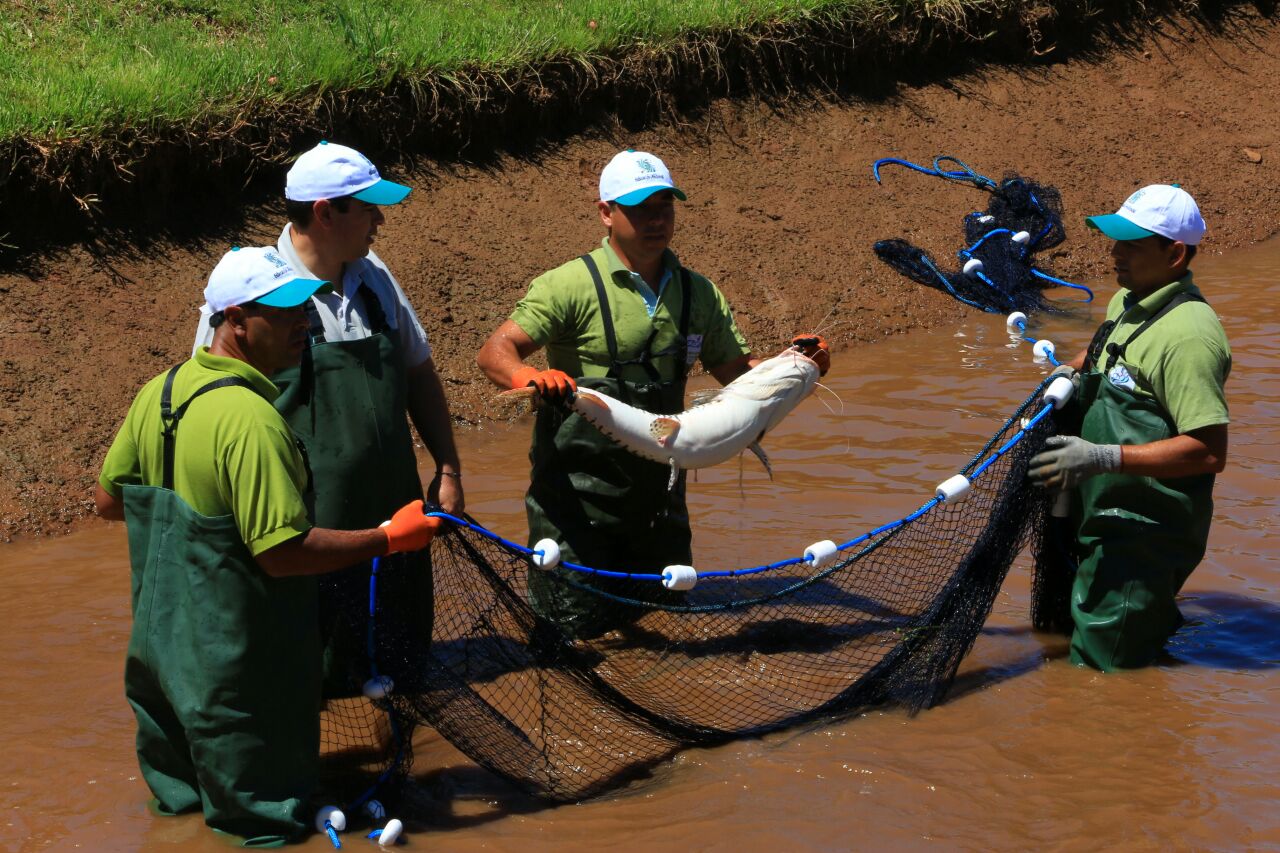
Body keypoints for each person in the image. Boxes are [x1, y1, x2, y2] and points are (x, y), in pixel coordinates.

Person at [95, 247, 442, 845]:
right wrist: (389, 538)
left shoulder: (161, 391)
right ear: (233, 321)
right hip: (239, 675)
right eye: (281, 314)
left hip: (161, 659)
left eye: (303, 308)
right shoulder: (250, 420)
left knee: (181, 815)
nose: (301, 323)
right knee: (263, 829)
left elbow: (108, 502)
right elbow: (283, 553)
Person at [477, 149, 830, 639]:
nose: (656, 219)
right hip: (577, 498)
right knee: (571, 632)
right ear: (606, 212)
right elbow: (495, 351)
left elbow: (737, 375)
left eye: (665, 206)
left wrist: (798, 369)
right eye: (641, 207)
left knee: (668, 624)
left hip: (660, 498)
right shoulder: (568, 285)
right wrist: (529, 378)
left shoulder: (698, 293)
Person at [194, 140, 462, 695]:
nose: (379, 220)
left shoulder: (376, 279)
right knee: (310, 687)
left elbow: (418, 374)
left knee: (402, 677)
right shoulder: (253, 295)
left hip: (398, 525)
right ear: (324, 213)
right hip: (307, 541)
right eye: (367, 208)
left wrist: (449, 468)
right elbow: (213, 413)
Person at [1028, 184, 1230, 671]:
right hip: (1103, 515)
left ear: (1175, 253)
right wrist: (1068, 371)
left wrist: (1102, 457)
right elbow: (1108, 354)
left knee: (1105, 676)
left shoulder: (1190, 337)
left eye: (1132, 244)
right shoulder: (1129, 299)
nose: (1115, 254)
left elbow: (1208, 451)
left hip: (1144, 533)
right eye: (1115, 240)